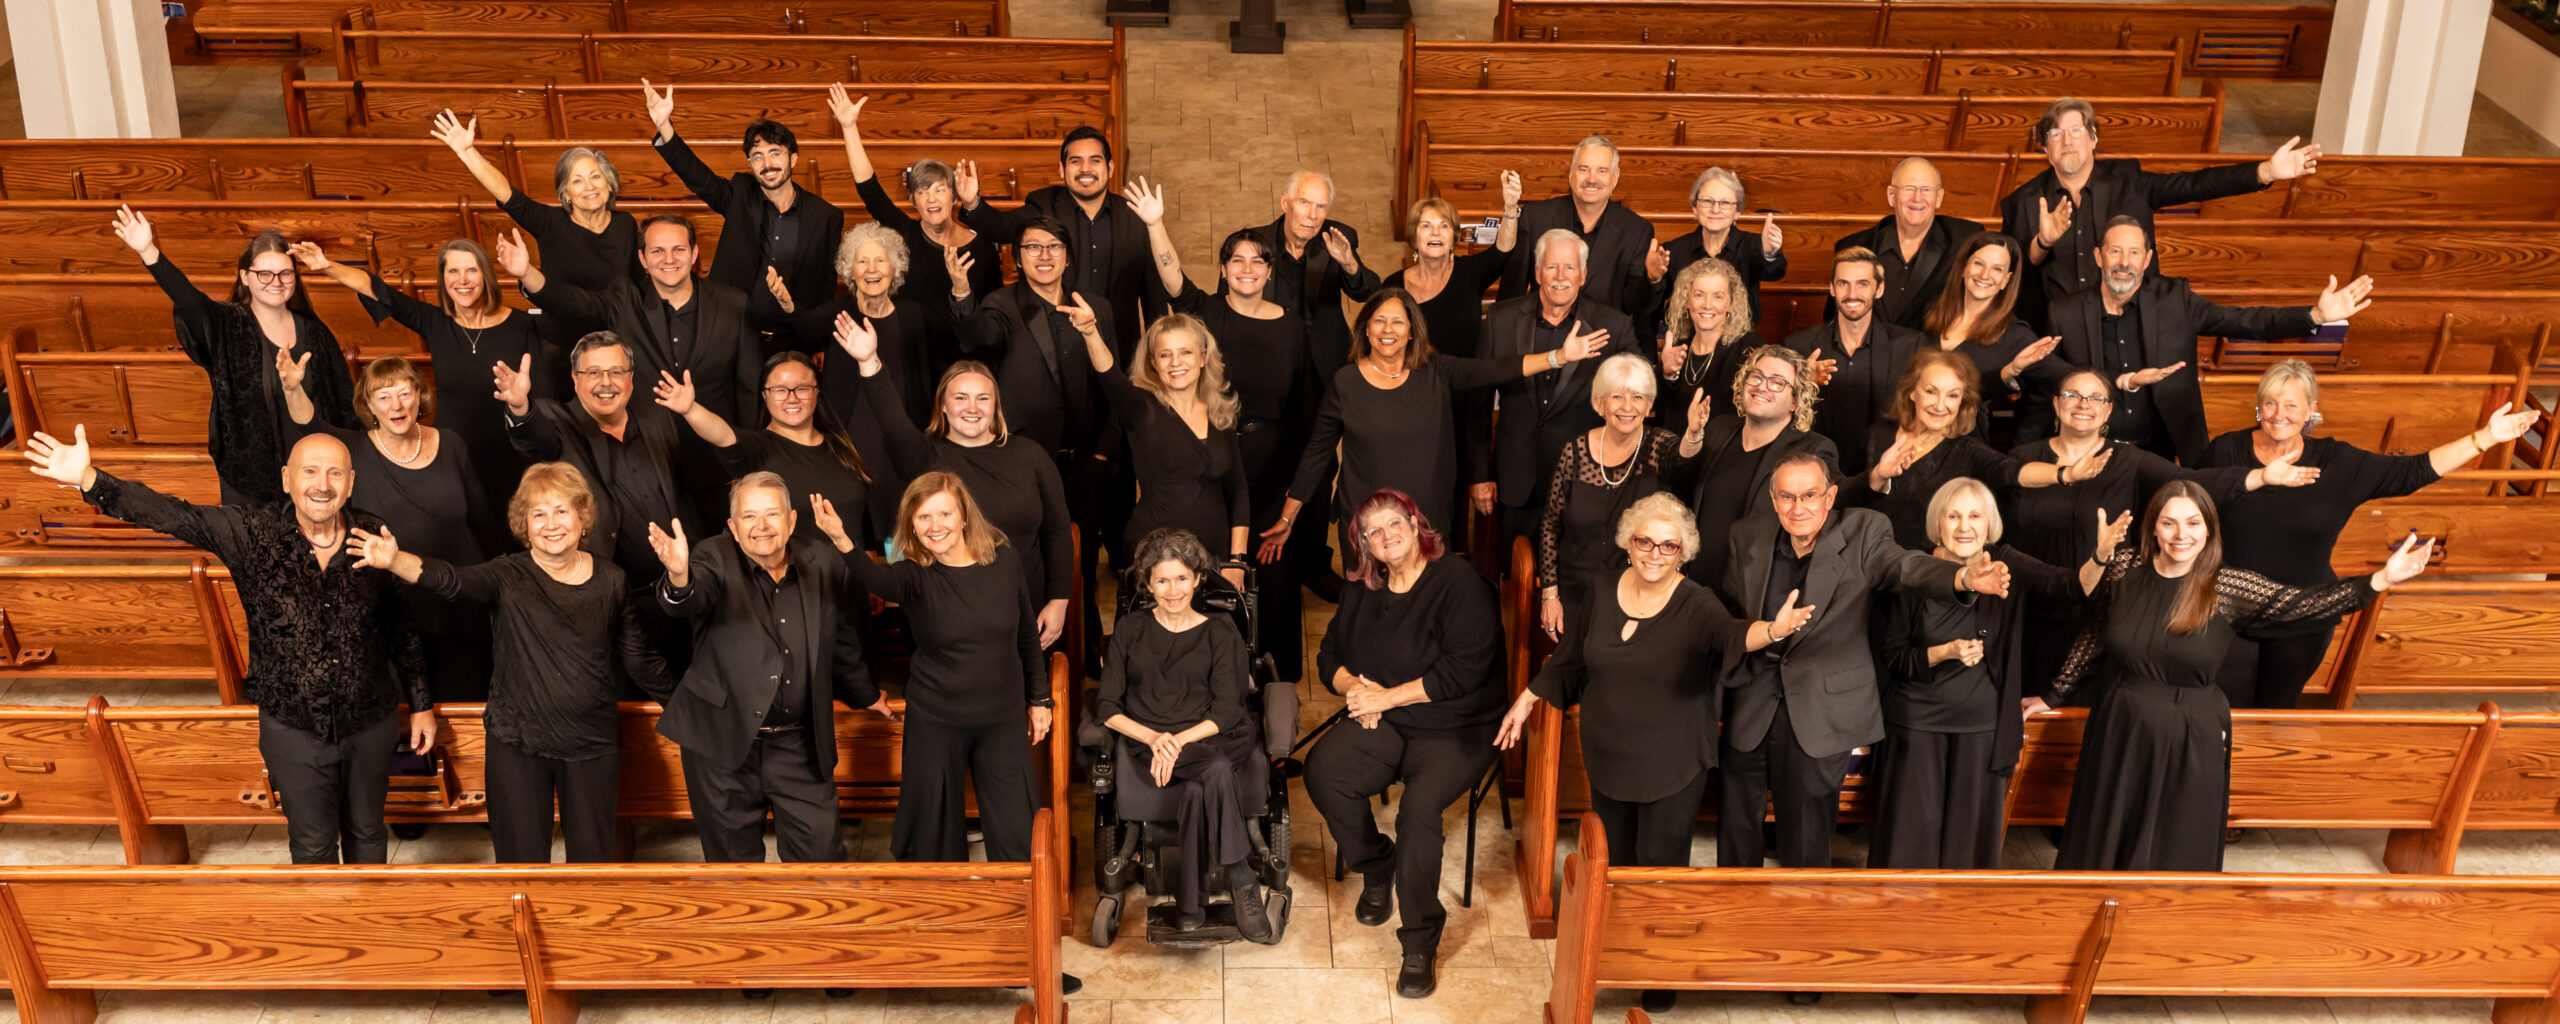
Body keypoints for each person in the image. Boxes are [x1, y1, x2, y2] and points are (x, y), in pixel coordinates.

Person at [24, 426, 430, 864]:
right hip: (293, 728)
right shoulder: (250, 530)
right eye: (309, 471)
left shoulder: (375, 536)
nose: (322, 484)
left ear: (350, 482)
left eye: (335, 473)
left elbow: (400, 625)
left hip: (370, 720)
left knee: (369, 835)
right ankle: (327, 931)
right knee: (312, 846)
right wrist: (91, 480)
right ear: (286, 479)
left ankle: (367, 928)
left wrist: (421, 703)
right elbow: (173, 515)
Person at [1498, 491, 1807, 1015]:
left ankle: (1658, 975)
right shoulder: (1600, 588)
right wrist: (1527, 698)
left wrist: (1774, 630)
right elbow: (1571, 659)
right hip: (1607, 753)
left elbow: (1733, 635)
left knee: (1659, 874)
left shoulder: (1696, 603)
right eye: (1645, 541)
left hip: (1671, 761)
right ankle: (1616, 955)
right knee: (1612, 867)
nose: (1655, 554)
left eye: (1668, 546)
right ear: (1629, 542)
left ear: (1683, 551)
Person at [2035, 483, 2435, 871]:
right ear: (2153, 527)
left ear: (2209, 530)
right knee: (2105, 833)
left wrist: (2380, 579)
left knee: (2176, 836)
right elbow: (2093, 633)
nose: (2181, 535)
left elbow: (2303, 605)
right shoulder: (2122, 567)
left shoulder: (2226, 587)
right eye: (2169, 523)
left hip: (2191, 729)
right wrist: (2053, 694)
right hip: (2121, 720)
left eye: (2193, 523)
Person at [350, 462, 673, 863]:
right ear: (524, 523)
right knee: (520, 864)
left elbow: (639, 656)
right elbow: (454, 581)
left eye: (561, 510)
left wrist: (688, 708)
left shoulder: (611, 580)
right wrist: (396, 561)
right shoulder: (507, 574)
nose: (551, 524)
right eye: (538, 514)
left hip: (591, 745)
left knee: (593, 864)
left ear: (582, 518)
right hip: (518, 745)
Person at [1718, 453, 2011, 871]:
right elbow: (1729, 620)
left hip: (1823, 710)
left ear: (1831, 496)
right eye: (1786, 496)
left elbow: (1904, 567)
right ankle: (1732, 920)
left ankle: (1803, 924)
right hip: (1753, 706)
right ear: (1772, 497)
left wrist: (1961, 578)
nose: (1798, 507)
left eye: (1809, 495)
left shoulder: (1863, 531)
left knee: (1805, 842)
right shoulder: (1746, 536)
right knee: (1737, 833)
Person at [2201, 360, 2543, 709]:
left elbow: (2414, 471)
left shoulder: (2339, 464)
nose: (2279, 414)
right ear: (2259, 406)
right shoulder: (2225, 450)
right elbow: (2191, 501)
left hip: (2303, 617)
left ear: (2311, 411)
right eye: (2270, 403)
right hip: (2227, 613)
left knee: (2272, 713)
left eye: (2291, 405)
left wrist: (2485, 438)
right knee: (2215, 711)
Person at [1303, 489, 1503, 1000]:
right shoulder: (1362, 590)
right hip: (1384, 720)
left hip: (1455, 725)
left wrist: (1384, 699)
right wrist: (1357, 692)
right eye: (1373, 531)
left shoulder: (1457, 582)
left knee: (1418, 812)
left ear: (1417, 526)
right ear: (1363, 545)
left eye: (1396, 523)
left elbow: (1463, 673)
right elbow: (1328, 657)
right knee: (1324, 770)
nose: (1386, 536)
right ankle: (1375, 864)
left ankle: (1418, 942)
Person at [2006, 367, 2316, 695]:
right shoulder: (2022, 460)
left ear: (2109, 409)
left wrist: (2259, 477)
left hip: (2099, 614)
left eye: (2096, 398)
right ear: (2056, 405)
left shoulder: (2129, 460)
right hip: (2028, 611)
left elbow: (2194, 483)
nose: (2084, 404)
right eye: (2073, 395)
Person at [1261, 289, 1605, 569]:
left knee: (1423, 619)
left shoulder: (1436, 371)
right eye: (1379, 321)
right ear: (1365, 329)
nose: (1387, 330)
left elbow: (1494, 370)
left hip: (1425, 521)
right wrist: (1288, 519)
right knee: (1366, 623)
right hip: (1365, 525)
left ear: (1412, 331)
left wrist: (1558, 356)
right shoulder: (1345, 383)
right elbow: (1316, 455)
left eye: (1398, 321)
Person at [1869, 477, 2109, 871]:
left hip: (1982, 729)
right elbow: (1894, 657)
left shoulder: (2006, 564)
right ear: (1938, 523)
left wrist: (2099, 557)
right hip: (1916, 725)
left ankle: (1963, 925)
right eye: (1954, 516)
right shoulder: (1914, 570)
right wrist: (1943, 652)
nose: (1964, 526)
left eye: (1975, 516)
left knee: (1969, 845)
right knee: (1909, 841)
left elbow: (2069, 587)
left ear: (1989, 525)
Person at [651, 473, 890, 864]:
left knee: (822, 864)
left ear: (792, 520)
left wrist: (866, 695)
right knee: (734, 872)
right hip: (724, 746)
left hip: (800, 744)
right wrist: (679, 576)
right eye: (748, 517)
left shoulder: (825, 561)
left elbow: (842, 643)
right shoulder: (711, 557)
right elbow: (687, 600)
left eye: (772, 515)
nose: (761, 527)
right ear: (732, 526)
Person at [1132, 178, 1319, 672]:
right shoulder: (1208, 312)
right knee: (1213, 579)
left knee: (1273, 578)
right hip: (1215, 470)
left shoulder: (1293, 326)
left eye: (1258, 260)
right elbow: (1172, 279)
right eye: (1237, 259)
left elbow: (1306, 412)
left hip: (1273, 470)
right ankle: (1215, 669)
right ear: (1223, 269)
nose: (1247, 268)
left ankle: (1272, 674)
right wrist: (1155, 224)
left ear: (1270, 271)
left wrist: (1297, 494)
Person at [822, 474, 1047, 862]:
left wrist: (1040, 698)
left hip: (1002, 718)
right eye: (923, 517)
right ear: (911, 525)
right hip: (937, 719)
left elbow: (1026, 631)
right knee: (932, 833)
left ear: (963, 517)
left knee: (1017, 836)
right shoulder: (914, 576)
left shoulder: (1003, 557)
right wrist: (843, 540)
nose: (935, 526)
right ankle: (942, 911)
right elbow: (875, 579)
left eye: (944, 513)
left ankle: (1018, 914)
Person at [2023, 218, 2375, 464]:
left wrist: (2313, 315)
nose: (2124, 263)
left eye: (2134, 254)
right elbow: (2048, 376)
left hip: (2162, 453)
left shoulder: (2176, 299)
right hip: (2088, 450)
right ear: (2099, 256)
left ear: (2147, 259)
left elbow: (2244, 321)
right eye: (2115, 252)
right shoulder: (2064, 312)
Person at [839, 318, 1073, 652]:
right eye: (960, 398)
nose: (973, 408)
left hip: (1024, 610)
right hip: (944, 616)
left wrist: (1059, 601)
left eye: (983, 398)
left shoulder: (1031, 456)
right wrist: (868, 361)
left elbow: (1058, 531)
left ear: (996, 405)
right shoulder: (924, 456)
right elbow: (891, 419)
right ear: (944, 406)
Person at [281, 354, 497, 703]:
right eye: (383, 396)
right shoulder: (354, 449)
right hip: (394, 612)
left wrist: (489, 590)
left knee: (468, 708)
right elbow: (310, 429)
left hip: (457, 602)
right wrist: (292, 388)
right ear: (369, 404)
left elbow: (482, 522)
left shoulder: (452, 444)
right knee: (404, 718)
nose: (396, 405)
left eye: (404, 393)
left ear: (419, 396)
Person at [1096, 528, 1273, 942]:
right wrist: (1156, 739)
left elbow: (1230, 709)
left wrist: (1178, 741)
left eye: (1181, 578)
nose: (1172, 589)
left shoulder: (1220, 630)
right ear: (1148, 584)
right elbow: (1108, 708)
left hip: (1217, 732)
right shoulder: (1130, 630)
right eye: (1161, 580)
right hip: (1150, 739)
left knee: (1209, 765)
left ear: (1197, 579)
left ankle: (1191, 908)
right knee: (1208, 774)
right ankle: (1241, 878)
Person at [110, 207, 356, 503]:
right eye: (264, 273)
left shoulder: (315, 333)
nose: (275, 282)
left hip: (313, 480)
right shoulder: (228, 323)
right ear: (245, 277)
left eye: (285, 273)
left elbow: (343, 402)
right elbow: (189, 300)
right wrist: (150, 252)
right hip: (249, 480)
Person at [2000, 98, 2321, 325]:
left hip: (2131, 323)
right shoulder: (2022, 202)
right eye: (2055, 134)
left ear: (2093, 138)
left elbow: (2194, 185)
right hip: (2058, 336)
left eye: (2076, 130)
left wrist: (2265, 171)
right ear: (2045, 148)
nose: (2066, 140)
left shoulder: (2129, 181)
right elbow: (2012, 280)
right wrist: (2041, 242)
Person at [287, 238, 553, 505]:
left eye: (472, 270)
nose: (463, 280)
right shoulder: (435, 322)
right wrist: (325, 265)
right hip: (453, 459)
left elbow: (542, 397)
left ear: (486, 275)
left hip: (512, 456)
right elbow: (377, 290)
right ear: (443, 279)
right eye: (453, 271)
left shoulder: (521, 324)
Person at [497, 332, 695, 675]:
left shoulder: (658, 419)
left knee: (677, 697)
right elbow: (534, 436)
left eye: (617, 371)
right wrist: (519, 407)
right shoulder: (557, 420)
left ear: (631, 379)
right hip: (602, 601)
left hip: (670, 595)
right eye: (593, 373)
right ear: (575, 379)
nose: (606, 382)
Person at [498, 220, 762, 453]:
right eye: (657, 251)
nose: (668, 259)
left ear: (693, 253)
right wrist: (526, 273)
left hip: (716, 459)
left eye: (678, 249)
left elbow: (748, 390)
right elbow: (574, 303)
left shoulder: (734, 304)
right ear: (643, 259)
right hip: (645, 458)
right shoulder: (624, 297)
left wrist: (746, 452)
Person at [1847, 348, 2108, 551]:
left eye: (1952, 395)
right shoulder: (1876, 436)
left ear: (1962, 402)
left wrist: (2066, 474)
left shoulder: (1967, 451)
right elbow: (1844, 500)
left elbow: (2013, 471)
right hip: (1868, 569)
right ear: (1912, 392)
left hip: (1928, 578)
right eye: (1931, 392)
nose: (1940, 405)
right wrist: (1878, 475)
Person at [644, 82, 844, 338]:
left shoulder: (826, 216)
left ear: (793, 159)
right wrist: (664, 126)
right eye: (757, 156)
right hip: (732, 333)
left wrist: (820, 340)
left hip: (792, 338)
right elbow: (698, 177)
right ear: (750, 164)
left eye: (775, 153)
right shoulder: (740, 194)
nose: (767, 164)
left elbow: (824, 290)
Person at [1484, 230, 1640, 545]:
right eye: (1551, 267)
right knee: (1514, 575)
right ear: (1537, 271)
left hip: (1584, 482)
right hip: (1515, 480)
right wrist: (1479, 474)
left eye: (1569, 268)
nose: (1560, 276)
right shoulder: (1501, 318)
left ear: (1583, 275)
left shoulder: (1614, 325)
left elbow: (1637, 391)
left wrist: (1662, 371)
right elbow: (1478, 399)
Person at [827, 86, 1002, 363]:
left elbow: (994, 319)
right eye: (921, 192)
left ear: (955, 197)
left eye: (939, 189)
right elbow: (868, 188)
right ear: (914, 202)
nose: (930, 198)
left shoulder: (982, 249)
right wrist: (849, 128)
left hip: (969, 362)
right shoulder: (906, 234)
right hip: (915, 358)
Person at [1383, 189, 1520, 538]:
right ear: (1414, 236)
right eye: (1426, 226)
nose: (1434, 232)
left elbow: (1503, 250)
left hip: (1460, 406)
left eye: (1443, 226)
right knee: (1402, 499)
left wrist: (1508, 208)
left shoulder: (1470, 273)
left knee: (1448, 507)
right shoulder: (1394, 287)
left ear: (1454, 236)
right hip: (1406, 406)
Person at [431, 112, 637, 339]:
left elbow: (636, 285)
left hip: (618, 338)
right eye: (577, 180)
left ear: (609, 185)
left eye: (595, 177)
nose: (589, 187)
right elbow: (507, 194)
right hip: (562, 342)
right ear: (566, 194)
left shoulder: (625, 224)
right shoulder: (550, 222)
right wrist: (467, 152)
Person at [953, 125, 1153, 356]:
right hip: (1056, 349)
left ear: (1110, 168)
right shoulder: (1044, 204)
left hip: (1119, 349)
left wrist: (1157, 353)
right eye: (1076, 161)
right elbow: (1001, 227)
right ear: (1061, 169)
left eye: (1095, 161)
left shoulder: (1136, 216)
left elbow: (1152, 296)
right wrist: (972, 203)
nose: (1085, 169)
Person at [1073, 311, 1248, 572]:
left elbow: (1238, 490)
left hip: (1214, 557)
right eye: (1165, 355)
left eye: (1185, 352)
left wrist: (1237, 561)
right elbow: (1110, 377)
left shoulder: (1221, 413)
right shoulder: (1141, 409)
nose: (1175, 362)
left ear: (1202, 357)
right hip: (1154, 559)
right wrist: (1090, 334)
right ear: (1153, 362)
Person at [789, 222, 936, 518]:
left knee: (900, 527)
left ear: (894, 269)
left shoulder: (913, 315)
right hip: (849, 439)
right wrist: (787, 306)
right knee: (854, 520)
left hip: (902, 440)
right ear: (850, 271)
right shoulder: (837, 312)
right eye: (862, 261)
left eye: (881, 260)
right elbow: (803, 328)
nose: (872, 269)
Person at [1534, 353, 1687, 635]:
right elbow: (1550, 526)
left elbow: (1682, 458)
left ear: (1649, 404)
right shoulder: (1574, 452)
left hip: (1638, 599)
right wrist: (1550, 595)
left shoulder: (1658, 447)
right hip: (1574, 596)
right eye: (1617, 397)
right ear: (1599, 403)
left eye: (1638, 397)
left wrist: (1694, 435)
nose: (1627, 407)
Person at [1666, 346, 1836, 590]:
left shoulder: (1812, 449)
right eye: (1756, 376)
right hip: (1694, 586)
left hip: (1754, 593)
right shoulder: (1719, 429)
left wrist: (1877, 477)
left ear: (1795, 401)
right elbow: (1680, 484)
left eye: (1777, 382)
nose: (1762, 386)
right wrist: (1693, 435)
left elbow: (1840, 496)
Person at [1784, 247, 1923, 470]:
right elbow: (1782, 418)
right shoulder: (1798, 346)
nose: (1852, 294)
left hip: (1886, 472)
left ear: (1879, 289)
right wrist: (1803, 385)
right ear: (1831, 288)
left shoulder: (1910, 346)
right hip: (1817, 472)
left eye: (1862, 284)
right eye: (1843, 283)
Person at [1916, 231, 2057, 444]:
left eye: (1997, 269)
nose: (1985, 274)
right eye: (1978, 264)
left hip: (1964, 446)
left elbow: (2062, 378)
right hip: (1913, 439)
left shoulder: (2016, 335)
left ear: (2006, 280)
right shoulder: (1930, 313)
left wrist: (2010, 374)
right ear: (1963, 267)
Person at [1499, 136, 1657, 321]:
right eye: (1584, 169)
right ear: (1571, 173)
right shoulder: (1535, 218)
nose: (1592, 179)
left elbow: (1636, 306)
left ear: (1615, 177)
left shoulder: (1637, 231)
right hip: (1542, 340)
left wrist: (1652, 280)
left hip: (1606, 343)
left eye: (1602, 171)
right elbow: (1511, 294)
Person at [1248, 170, 1382, 376]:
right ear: (1285, 202)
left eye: (1321, 206)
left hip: (1325, 361)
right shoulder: (1253, 243)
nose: (1313, 215)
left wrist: (1348, 263)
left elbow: (1369, 293)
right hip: (1269, 357)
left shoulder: (1336, 237)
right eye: (1304, 203)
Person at [1833, 158, 1986, 331]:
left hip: (1934, 355)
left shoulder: (1966, 239)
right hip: (1871, 354)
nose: (1917, 198)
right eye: (1909, 189)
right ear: (1891, 196)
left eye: (1926, 190)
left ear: (1939, 197)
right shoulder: (1853, 246)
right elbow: (1835, 318)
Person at [1651, 167, 1785, 331]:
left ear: (1737, 212)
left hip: (1738, 343)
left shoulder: (1753, 246)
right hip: (1686, 342)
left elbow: (1774, 273)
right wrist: (1653, 279)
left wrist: (1770, 253)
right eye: (1707, 201)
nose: (1715, 209)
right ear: (1695, 208)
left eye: (1725, 203)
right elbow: (1650, 306)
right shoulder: (1674, 250)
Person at [1652, 256, 1765, 435]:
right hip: (1674, 451)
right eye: (1699, 294)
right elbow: (1657, 408)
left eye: (1718, 296)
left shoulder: (1748, 347)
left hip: (1720, 454)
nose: (1707, 305)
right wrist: (1667, 374)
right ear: (1687, 301)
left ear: (1731, 304)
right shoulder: (1677, 346)